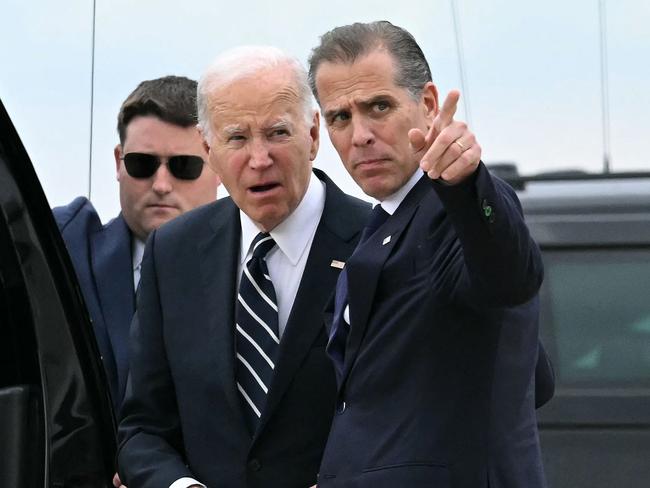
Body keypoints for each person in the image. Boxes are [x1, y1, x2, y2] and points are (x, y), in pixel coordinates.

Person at [308, 21, 549, 487]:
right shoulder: (379, 224)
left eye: (379, 107)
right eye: (340, 117)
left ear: (429, 104)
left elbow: (509, 279)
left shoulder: (454, 205)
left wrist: (465, 183)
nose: (360, 135)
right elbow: (535, 375)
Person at [116, 47, 370, 488]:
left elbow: (407, 423)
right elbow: (142, 430)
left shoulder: (375, 244)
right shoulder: (172, 252)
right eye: (236, 138)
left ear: (312, 135)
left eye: (276, 133)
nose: (258, 158)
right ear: (208, 149)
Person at [53, 76, 220, 411]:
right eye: (142, 164)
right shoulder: (66, 252)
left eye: (183, 166)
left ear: (218, 165)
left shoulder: (254, 270)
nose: (161, 184)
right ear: (118, 162)